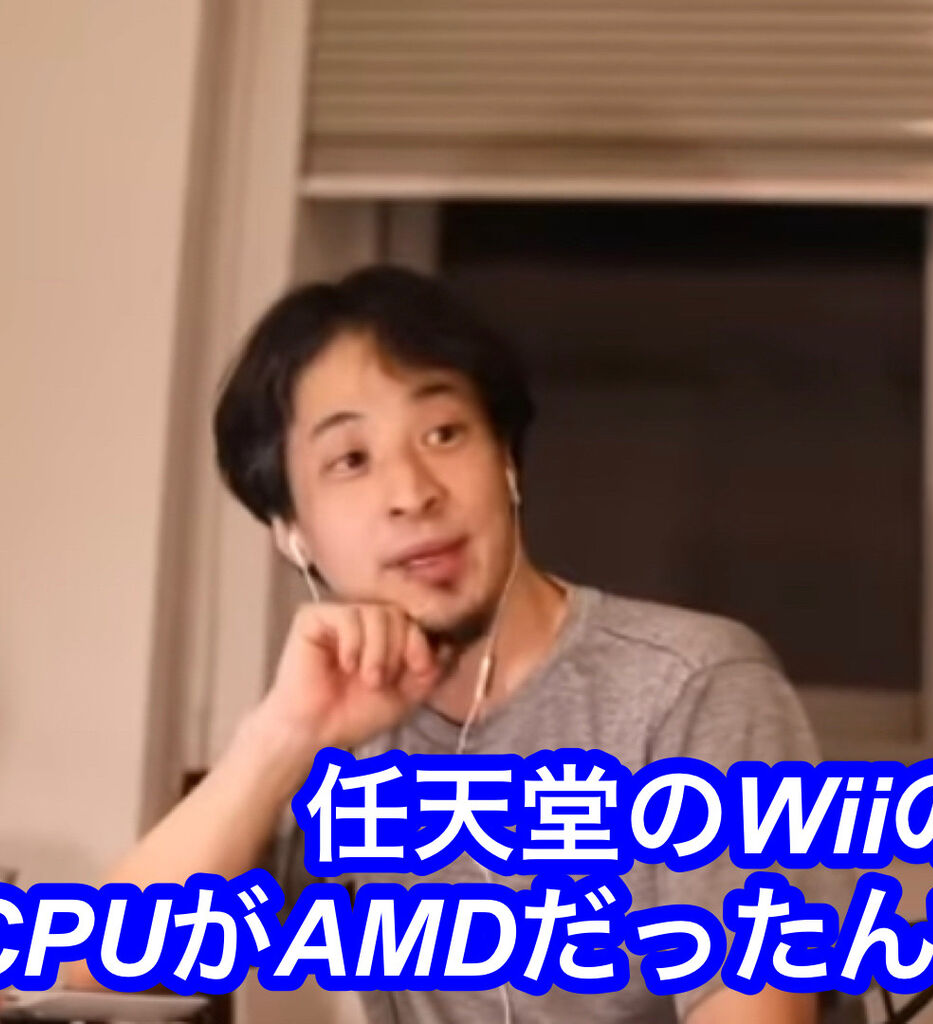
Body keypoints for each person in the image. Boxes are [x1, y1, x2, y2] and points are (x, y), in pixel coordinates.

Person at [99, 265, 839, 1023]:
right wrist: (284, 737)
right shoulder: (337, 739)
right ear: (292, 533)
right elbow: (89, 973)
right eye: (351, 460)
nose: (413, 492)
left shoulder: (689, 686)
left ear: (507, 462)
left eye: (444, 434)